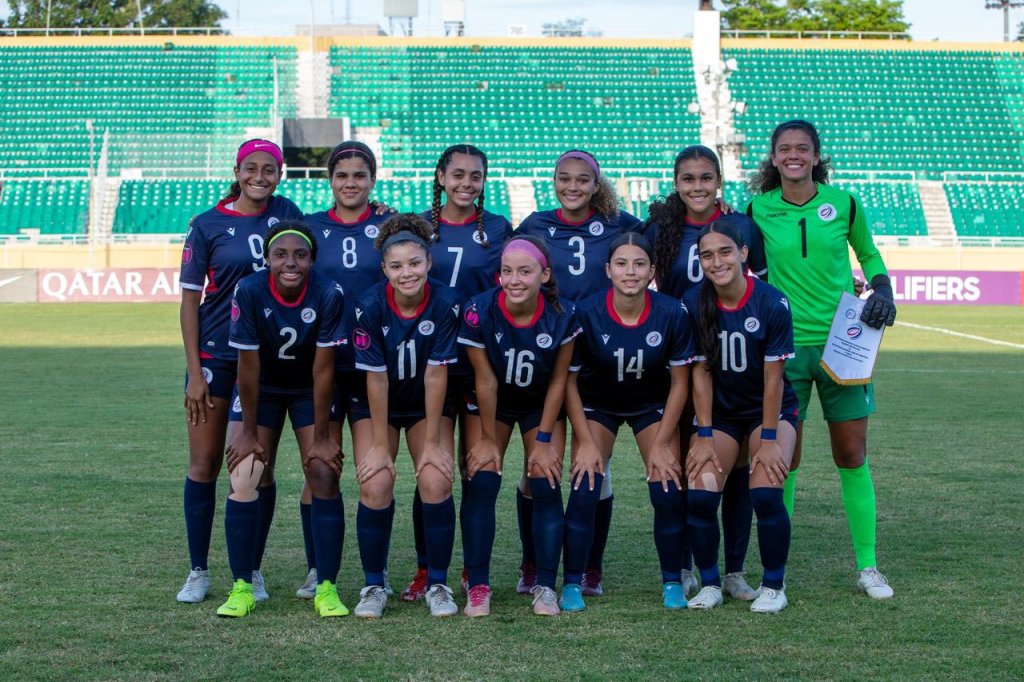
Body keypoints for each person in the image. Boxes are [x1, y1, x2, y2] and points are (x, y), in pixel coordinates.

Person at [746, 119, 897, 599]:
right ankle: (777, 570)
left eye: (803, 149)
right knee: (783, 461)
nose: (793, 155)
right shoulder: (758, 209)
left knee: (851, 456)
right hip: (783, 349)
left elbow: (868, 255)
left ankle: (868, 567)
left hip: (843, 346)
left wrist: (883, 287)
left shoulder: (845, 203)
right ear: (773, 158)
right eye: (784, 149)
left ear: (816, 156)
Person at [177, 139, 303, 604]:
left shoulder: (288, 214)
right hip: (216, 358)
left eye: (269, 168)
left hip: (265, 361)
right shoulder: (207, 224)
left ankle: (251, 567)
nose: (260, 176)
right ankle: (198, 570)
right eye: (251, 168)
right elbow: (191, 302)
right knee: (204, 464)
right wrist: (194, 372)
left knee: (255, 468)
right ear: (237, 170)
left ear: (280, 173)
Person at [514, 149, 641, 596]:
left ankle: (590, 566)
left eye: (582, 180)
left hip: (597, 358)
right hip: (545, 358)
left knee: (594, 469)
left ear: (595, 183)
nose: (573, 187)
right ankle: (532, 563)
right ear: (554, 181)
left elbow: (658, 242)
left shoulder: (620, 224)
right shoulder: (534, 224)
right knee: (537, 468)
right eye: (564, 179)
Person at [645, 144, 768, 602]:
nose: (697, 186)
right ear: (676, 183)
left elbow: (760, 289)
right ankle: (684, 565)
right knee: (682, 465)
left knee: (732, 468)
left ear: (718, 180)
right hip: (676, 360)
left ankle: (732, 571)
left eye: (705, 178)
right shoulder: (660, 229)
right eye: (688, 179)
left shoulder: (740, 225)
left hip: (729, 366)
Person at [401, 144, 514, 603]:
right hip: (429, 364)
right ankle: (427, 568)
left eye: (476, 176)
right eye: (458, 175)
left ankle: (474, 571)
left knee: (479, 471)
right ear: (441, 177)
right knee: (433, 470)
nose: (467, 183)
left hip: (481, 364)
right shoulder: (417, 228)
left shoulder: (501, 229)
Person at [219, 220, 347, 618]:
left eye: (300, 255)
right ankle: (243, 583)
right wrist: (249, 433)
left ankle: (326, 585)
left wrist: (323, 435)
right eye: (281, 254)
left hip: (311, 389)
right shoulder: (250, 290)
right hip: (264, 388)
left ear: (312, 259)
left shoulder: (329, 292)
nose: (290, 262)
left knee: (324, 471)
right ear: (267, 259)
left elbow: (324, 370)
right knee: (248, 471)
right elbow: (248, 367)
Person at [562, 232, 696, 611]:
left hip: (650, 405)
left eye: (639, 264)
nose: (630, 271)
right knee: (586, 484)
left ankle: (672, 580)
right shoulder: (585, 312)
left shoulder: (671, 312)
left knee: (666, 485)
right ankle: (573, 581)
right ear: (607, 269)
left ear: (653, 270)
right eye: (621, 263)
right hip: (597, 405)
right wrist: (586, 440)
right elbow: (568, 381)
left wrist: (661, 442)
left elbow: (681, 382)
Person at [457, 235, 581, 616]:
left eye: (524, 271)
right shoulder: (479, 309)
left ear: (544, 274)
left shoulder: (563, 313)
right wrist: (489, 440)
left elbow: (560, 381)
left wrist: (543, 438)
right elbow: (486, 380)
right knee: (483, 478)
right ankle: (477, 585)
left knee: (545, 480)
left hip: (538, 403)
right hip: (488, 401)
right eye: (507, 271)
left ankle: (544, 583)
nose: (514, 279)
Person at [349, 213, 462, 619]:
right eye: (396, 266)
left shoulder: (447, 301)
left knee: (435, 478)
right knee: (376, 482)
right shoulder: (369, 304)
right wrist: (380, 446)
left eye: (415, 263)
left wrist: (432, 442)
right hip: (377, 403)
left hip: (425, 403)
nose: (406, 272)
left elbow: (436, 374)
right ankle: (373, 585)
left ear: (429, 263)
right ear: (384, 269)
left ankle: (437, 583)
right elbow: (375, 380)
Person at [683, 221, 798, 614]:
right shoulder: (694, 302)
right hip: (723, 415)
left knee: (765, 492)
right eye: (707, 255)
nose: (717, 262)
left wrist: (767, 439)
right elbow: (700, 372)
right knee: (700, 496)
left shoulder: (771, 302)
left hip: (770, 412)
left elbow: (774, 379)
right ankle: (712, 583)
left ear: (744, 253)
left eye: (726, 252)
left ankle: (773, 585)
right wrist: (702, 432)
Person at [300, 140, 389, 599]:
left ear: (373, 179)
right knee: (320, 469)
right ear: (330, 180)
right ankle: (319, 569)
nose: (350, 183)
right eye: (342, 175)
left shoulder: (389, 225)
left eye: (360, 175)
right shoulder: (311, 229)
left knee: (374, 473)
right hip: (323, 366)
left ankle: (378, 576)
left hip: (374, 366)